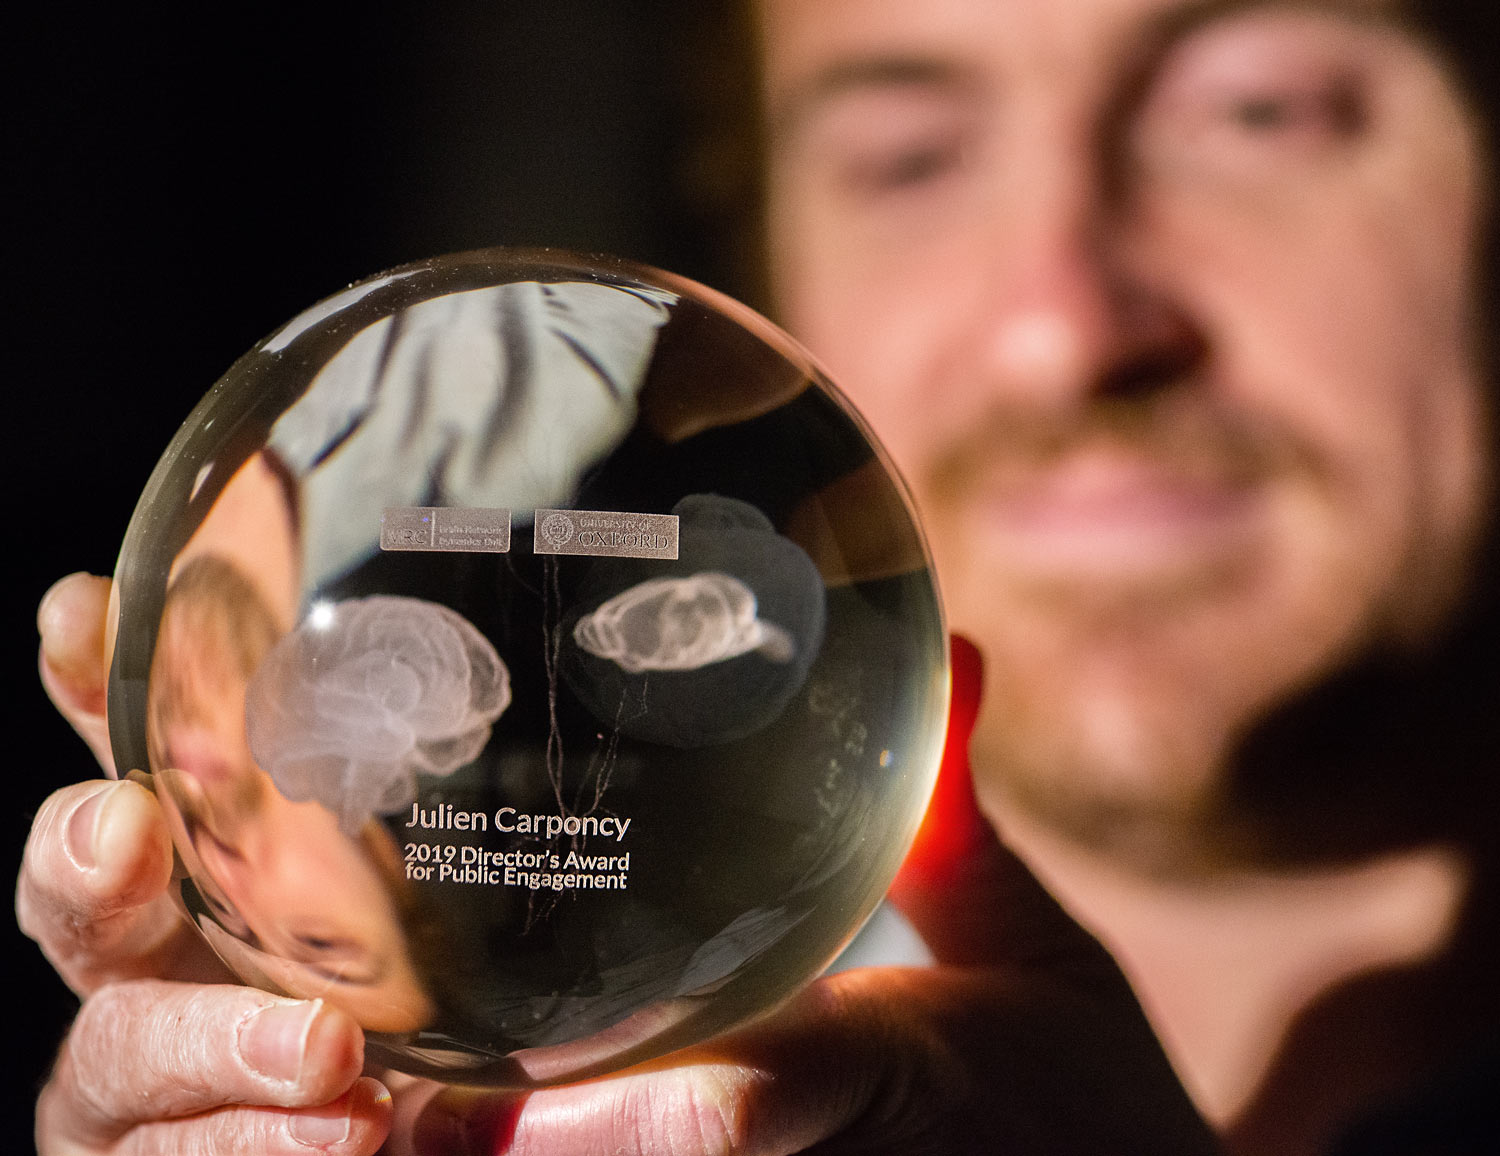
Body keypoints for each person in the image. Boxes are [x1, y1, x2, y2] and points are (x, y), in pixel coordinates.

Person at [18, 0, 1500, 1152]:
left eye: (1260, 114)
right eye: (908, 155)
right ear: (769, 273)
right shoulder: (483, 1041)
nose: (1062, 329)